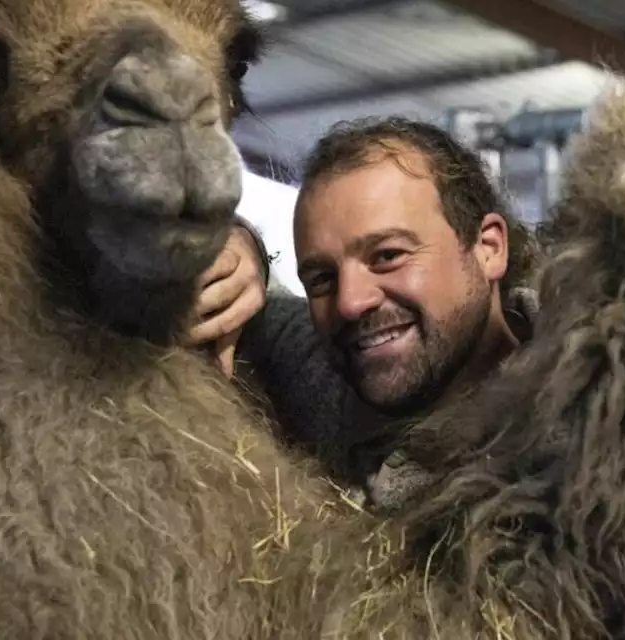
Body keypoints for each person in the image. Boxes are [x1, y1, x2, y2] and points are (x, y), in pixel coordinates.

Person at [193, 116, 541, 509]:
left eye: (388, 256)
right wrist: (239, 248)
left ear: (488, 249)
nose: (350, 303)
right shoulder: (324, 376)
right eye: (322, 278)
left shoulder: (584, 432)